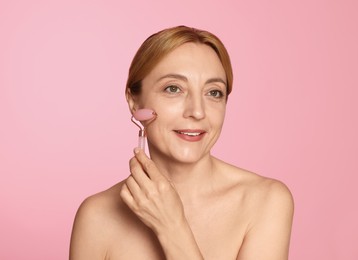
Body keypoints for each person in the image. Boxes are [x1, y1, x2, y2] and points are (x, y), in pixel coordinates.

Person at [69, 25, 294, 260]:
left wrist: (173, 228)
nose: (197, 111)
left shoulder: (265, 201)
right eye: (173, 88)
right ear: (134, 101)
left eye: (214, 92)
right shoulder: (97, 216)